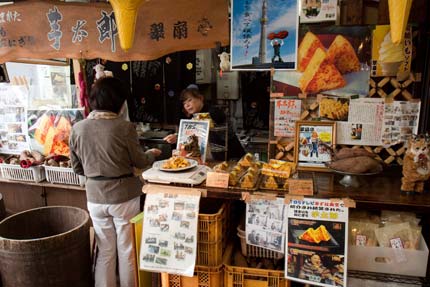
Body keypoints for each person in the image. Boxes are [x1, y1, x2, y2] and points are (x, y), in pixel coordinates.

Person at [69, 77, 161, 287]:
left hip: (95, 197)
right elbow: (139, 161)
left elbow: (76, 168)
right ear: (119, 102)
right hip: (124, 196)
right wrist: (152, 154)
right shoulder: (124, 127)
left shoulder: (78, 128)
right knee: (126, 249)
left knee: (105, 250)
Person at [163, 84, 245, 160]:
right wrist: (178, 137)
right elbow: (192, 133)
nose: (187, 105)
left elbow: (208, 121)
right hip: (215, 159)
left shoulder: (214, 111)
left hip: (233, 157)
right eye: (184, 103)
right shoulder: (195, 116)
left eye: (189, 100)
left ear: (200, 98)